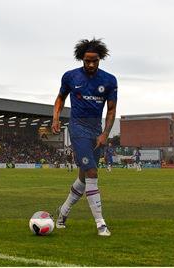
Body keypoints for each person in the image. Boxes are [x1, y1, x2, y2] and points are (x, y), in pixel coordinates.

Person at [52, 38, 117, 237]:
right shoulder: (70, 77)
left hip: (96, 131)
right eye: (87, 61)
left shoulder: (109, 80)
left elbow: (112, 110)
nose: (90, 64)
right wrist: (55, 117)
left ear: (100, 59)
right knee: (91, 173)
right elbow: (60, 98)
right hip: (77, 127)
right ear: (82, 58)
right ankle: (101, 223)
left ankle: (62, 213)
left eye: (94, 61)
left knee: (83, 177)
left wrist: (105, 133)